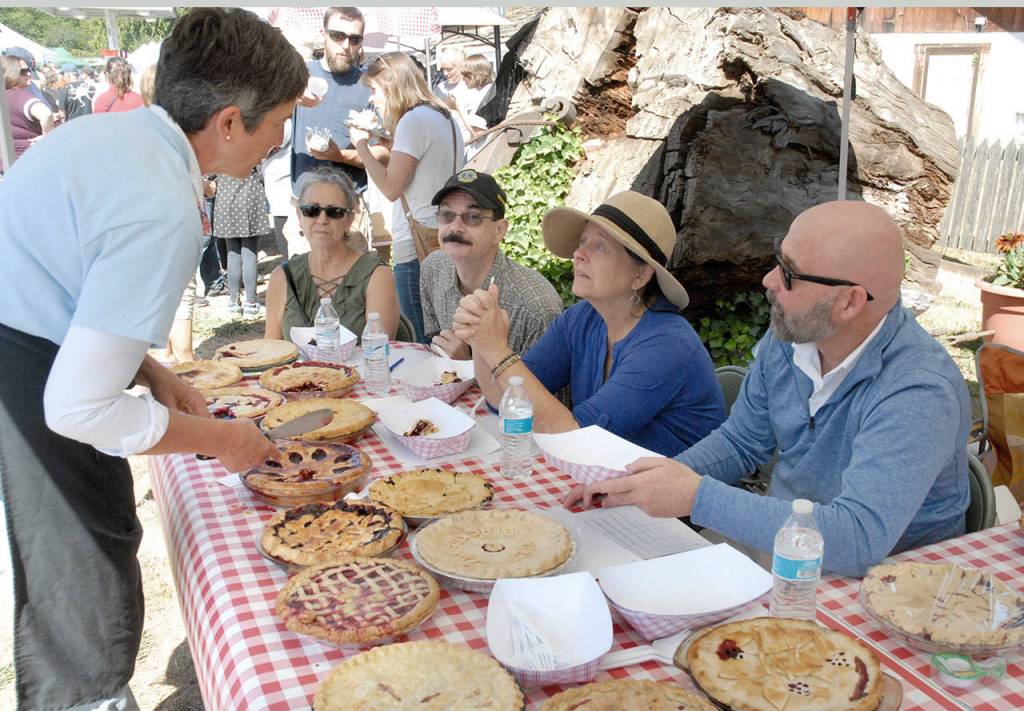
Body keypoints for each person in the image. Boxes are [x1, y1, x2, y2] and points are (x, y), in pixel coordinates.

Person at [0, 9, 306, 709]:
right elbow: (78, 407)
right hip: (26, 371)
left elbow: (73, 278)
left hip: (28, 341)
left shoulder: (115, 135)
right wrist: (225, 439)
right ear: (229, 123)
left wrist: (150, 367)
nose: (280, 140)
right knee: (81, 591)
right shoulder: (162, 202)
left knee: (87, 564)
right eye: (278, 121)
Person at [565, 201, 972, 577]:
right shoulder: (796, 332)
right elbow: (743, 440)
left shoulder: (918, 391)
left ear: (849, 302)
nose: (769, 280)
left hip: (888, 585)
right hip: (782, 549)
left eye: (789, 272)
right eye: (778, 260)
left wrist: (697, 497)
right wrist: (648, 481)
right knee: (607, 574)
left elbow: (858, 537)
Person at [453, 191, 726, 457]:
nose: (578, 254)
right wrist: (479, 336)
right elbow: (504, 400)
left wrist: (498, 350)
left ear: (641, 275)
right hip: (607, 478)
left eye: (600, 247)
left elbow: (575, 438)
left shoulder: (667, 345)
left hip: (673, 496)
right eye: (582, 241)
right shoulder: (582, 318)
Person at [350, 51, 466, 343]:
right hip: (442, 233)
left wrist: (361, 145)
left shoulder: (412, 121)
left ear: (393, 86)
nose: (373, 99)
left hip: (416, 242)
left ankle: (430, 389)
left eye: (375, 90)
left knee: (420, 336)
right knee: (443, 334)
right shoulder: (443, 115)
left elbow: (391, 188)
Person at [422, 169, 562, 359]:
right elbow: (437, 347)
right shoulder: (432, 268)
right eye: (446, 214)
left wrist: (467, 363)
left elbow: (540, 388)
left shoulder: (536, 305)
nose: (454, 227)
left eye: (473, 217)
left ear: (499, 230)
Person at [265, 166, 405, 343]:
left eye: (334, 212)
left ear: (349, 219)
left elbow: (380, 349)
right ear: (299, 217)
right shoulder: (283, 276)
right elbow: (271, 349)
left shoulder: (377, 275)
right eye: (311, 210)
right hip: (295, 372)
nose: (322, 220)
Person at [291, 6, 385, 192]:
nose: (345, 45)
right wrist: (290, 97)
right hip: (303, 202)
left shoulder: (370, 86)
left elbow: (383, 154)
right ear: (323, 34)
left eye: (354, 39)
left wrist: (339, 155)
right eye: (337, 35)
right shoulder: (300, 75)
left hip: (350, 205)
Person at [210, 167, 273, 319]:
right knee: (250, 254)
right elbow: (261, 170)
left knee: (232, 254)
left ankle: (233, 303)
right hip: (249, 197)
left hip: (225, 199)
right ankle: (251, 304)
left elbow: (210, 174)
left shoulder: (218, 147)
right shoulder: (250, 145)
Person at [4, 54, 55, 161]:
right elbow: (45, 114)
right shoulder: (19, 95)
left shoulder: (5, 96)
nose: (29, 73)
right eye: (23, 71)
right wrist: (47, 137)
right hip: (28, 160)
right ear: (11, 73)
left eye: (29, 70)